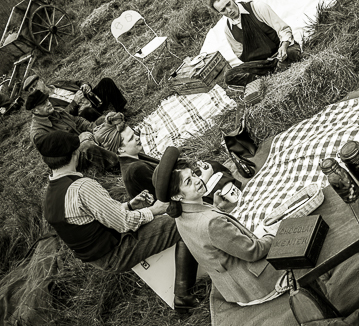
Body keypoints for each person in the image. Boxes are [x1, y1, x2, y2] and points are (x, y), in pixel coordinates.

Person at [39, 131, 199, 313]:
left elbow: (92, 219)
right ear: (76, 153)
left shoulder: (50, 196)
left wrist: (129, 205)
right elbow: (124, 223)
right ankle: (182, 296)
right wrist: (155, 210)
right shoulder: (82, 187)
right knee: (181, 222)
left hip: (98, 257)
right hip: (116, 252)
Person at [153, 147, 286, 306]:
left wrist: (217, 208)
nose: (197, 180)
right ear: (176, 196)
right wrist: (275, 233)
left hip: (233, 287)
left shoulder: (181, 214)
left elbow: (209, 239)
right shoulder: (211, 222)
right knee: (288, 229)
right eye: (188, 182)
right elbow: (253, 251)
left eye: (193, 174)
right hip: (257, 284)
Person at [93, 112, 241, 205]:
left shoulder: (133, 156)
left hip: (179, 190)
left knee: (213, 166)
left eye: (134, 134)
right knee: (216, 170)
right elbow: (167, 197)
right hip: (176, 204)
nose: (137, 138)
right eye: (131, 138)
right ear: (120, 149)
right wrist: (203, 178)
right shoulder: (135, 169)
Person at [209, 0, 302, 86]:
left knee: (292, 52)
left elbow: (284, 30)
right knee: (229, 76)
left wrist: (284, 46)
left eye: (228, 4)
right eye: (223, 10)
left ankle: (267, 77)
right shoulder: (228, 30)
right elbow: (240, 54)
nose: (229, 10)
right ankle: (268, 75)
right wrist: (255, 64)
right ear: (219, 13)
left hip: (280, 53)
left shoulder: (256, 7)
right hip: (263, 64)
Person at [26, 90, 118, 171]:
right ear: (35, 110)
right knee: (86, 145)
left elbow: (78, 121)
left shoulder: (57, 111)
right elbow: (53, 159)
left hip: (84, 138)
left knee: (106, 118)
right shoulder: (38, 133)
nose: (49, 104)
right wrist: (78, 142)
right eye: (43, 104)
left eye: (47, 100)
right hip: (72, 159)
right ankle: (117, 164)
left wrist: (94, 127)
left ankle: (121, 136)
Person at [23, 74, 127, 122]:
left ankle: (122, 110)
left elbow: (77, 82)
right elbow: (61, 116)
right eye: (31, 89)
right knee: (87, 111)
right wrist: (75, 102)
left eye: (35, 85)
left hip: (91, 99)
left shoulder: (57, 83)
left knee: (106, 82)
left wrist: (85, 85)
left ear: (41, 81)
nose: (34, 90)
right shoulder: (46, 103)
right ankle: (111, 122)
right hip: (82, 113)